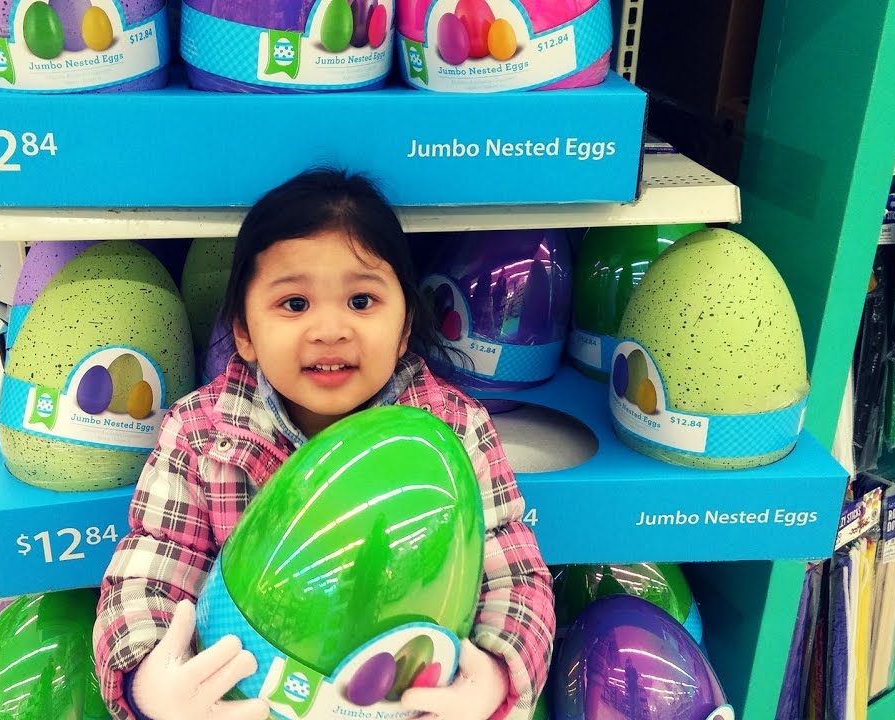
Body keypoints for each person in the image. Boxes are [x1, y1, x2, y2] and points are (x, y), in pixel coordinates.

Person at [93, 168, 555, 720]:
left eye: (361, 300)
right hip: (248, 701)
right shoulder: (201, 433)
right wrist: (150, 682)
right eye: (294, 304)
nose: (330, 330)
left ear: (405, 326)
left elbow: (514, 574)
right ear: (244, 332)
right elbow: (152, 566)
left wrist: (494, 677)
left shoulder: (454, 429)